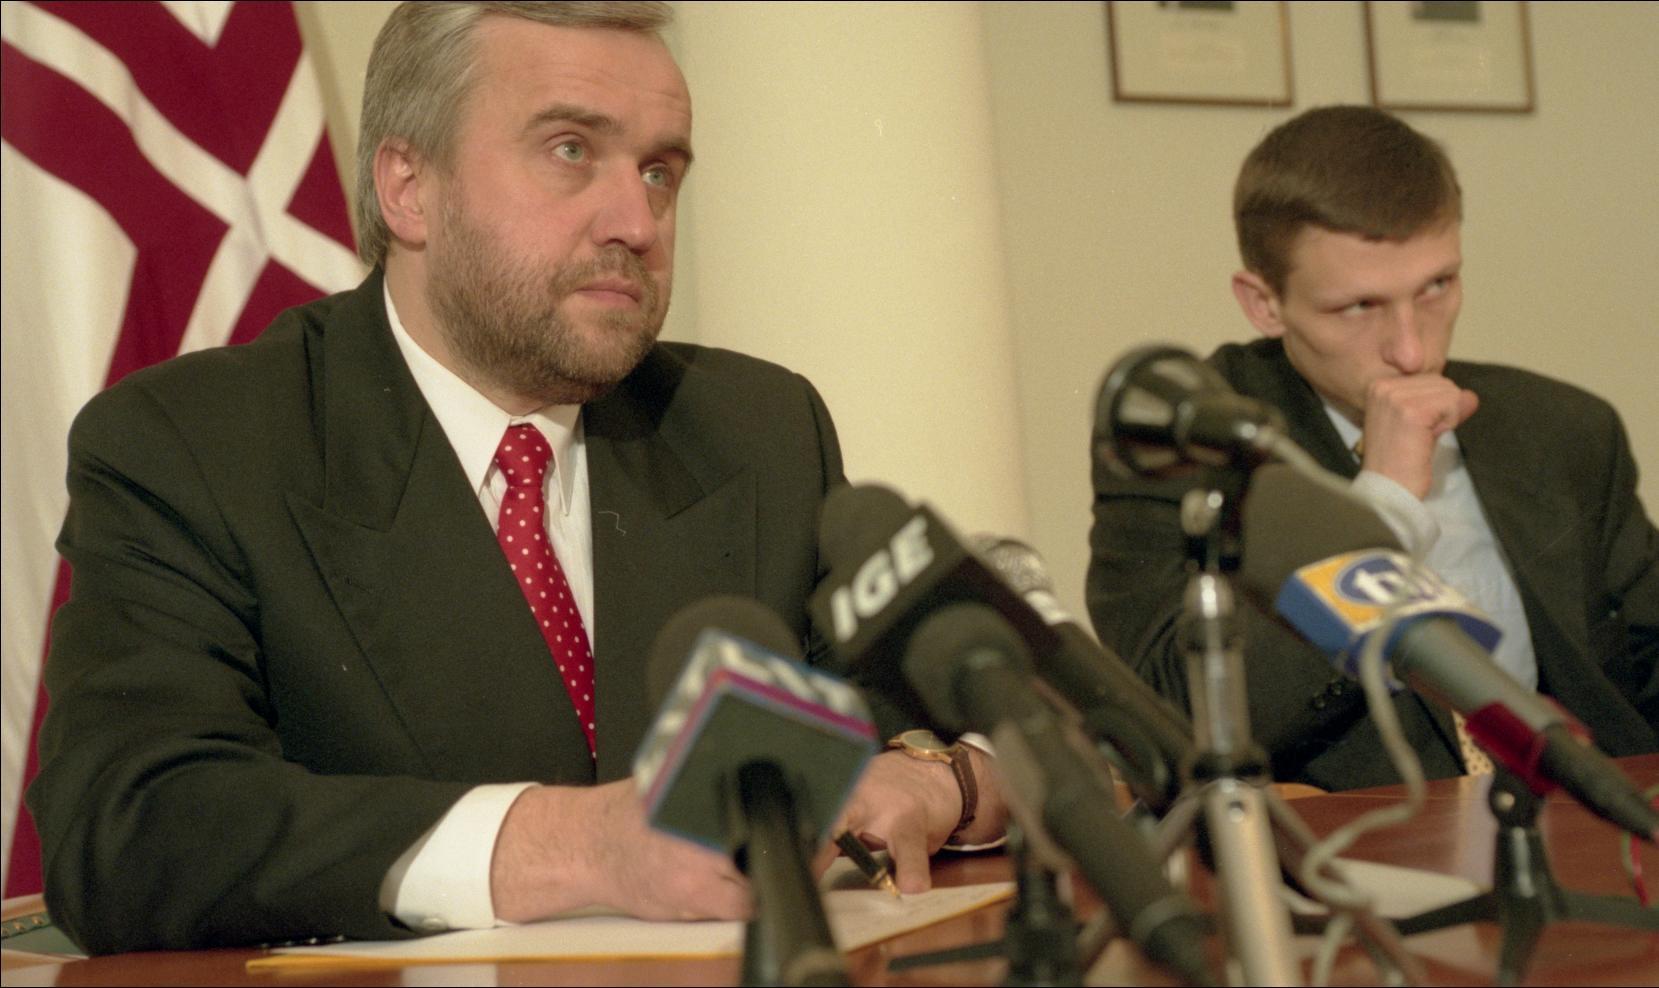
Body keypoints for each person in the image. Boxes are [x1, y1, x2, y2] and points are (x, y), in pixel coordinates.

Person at [29, 1, 1004, 954]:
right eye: (571, 150)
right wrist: (573, 846)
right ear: (409, 187)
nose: (638, 221)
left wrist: (944, 780)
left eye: (659, 170)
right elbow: (129, 826)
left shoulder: (754, 428)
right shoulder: (195, 444)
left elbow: (970, 714)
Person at [1087, 105, 1658, 792]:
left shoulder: (1562, 427)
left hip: (1583, 822)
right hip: (1358, 840)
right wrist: (1382, 505)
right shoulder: (1186, 443)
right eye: (1358, 307)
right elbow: (1165, 722)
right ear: (1263, 304)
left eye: (1436, 287)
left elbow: (1645, 666)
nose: (1411, 350)